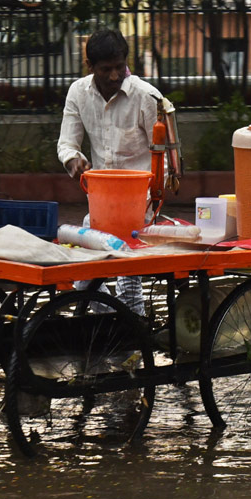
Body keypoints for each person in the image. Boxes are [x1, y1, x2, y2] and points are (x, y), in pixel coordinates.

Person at [57, 28, 173, 315]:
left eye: (119, 67)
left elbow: (166, 162)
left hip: (141, 207)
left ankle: (131, 324)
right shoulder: (78, 92)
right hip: (99, 205)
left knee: (128, 278)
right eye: (105, 69)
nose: (114, 75)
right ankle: (114, 322)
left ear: (126, 62)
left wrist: (150, 194)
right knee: (83, 275)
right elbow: (66, 144)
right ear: (90, 67)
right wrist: (75, 161)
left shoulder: (148, 97)